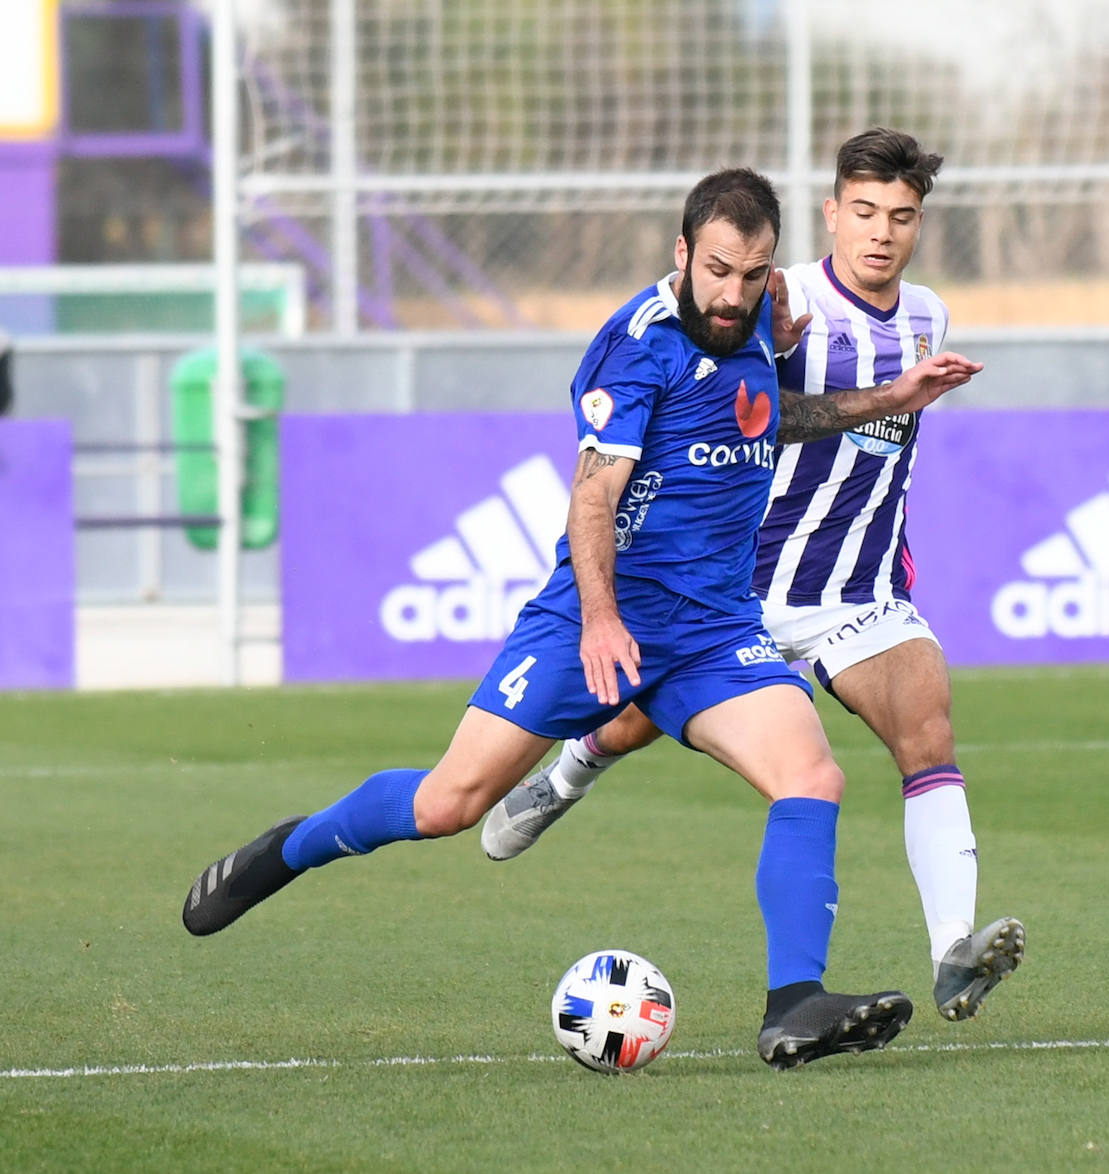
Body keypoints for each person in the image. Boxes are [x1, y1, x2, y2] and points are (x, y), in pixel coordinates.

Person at [181, 166, 983, 1070]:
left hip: (714, 628)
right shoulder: (634, 347)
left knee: (812, 776)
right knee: (449, 803)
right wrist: (602, 622)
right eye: (717, 270)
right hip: (593, 619)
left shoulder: (761, 317)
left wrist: (885, 401)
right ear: (682, 253)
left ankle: (793, 1005)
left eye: (753, 275)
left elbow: (766, 416)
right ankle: (284, 852)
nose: (733, 294)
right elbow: (592, 498)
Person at [481, 128, 1025, 1025]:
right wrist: (775, 353)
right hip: (743, 586)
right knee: (625, 726)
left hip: (859, 590)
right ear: (830, 213)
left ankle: (954, 951)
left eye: (901, 216)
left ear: (920, 224)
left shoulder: (929, 316)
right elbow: (725, 396)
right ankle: (568, 771)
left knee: (928, 732)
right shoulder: (774, 296)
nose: (881, 233)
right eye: (863, 212)